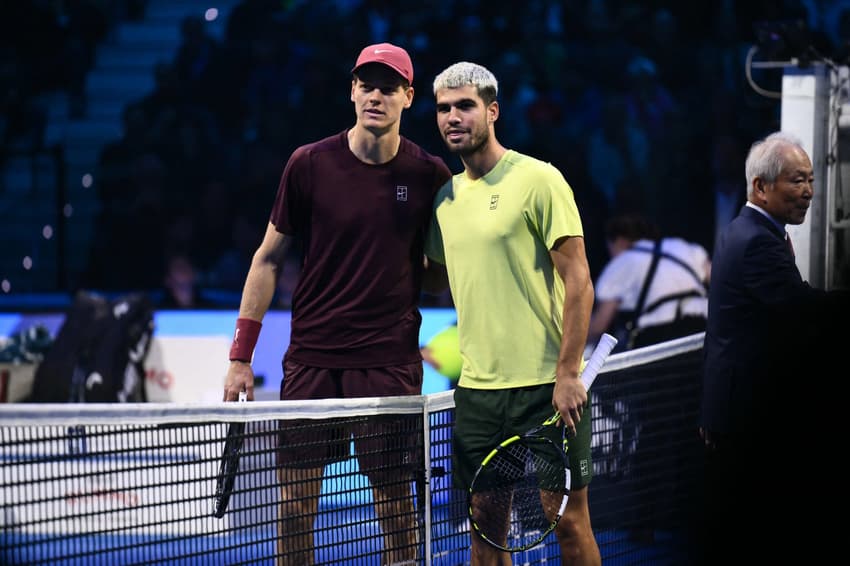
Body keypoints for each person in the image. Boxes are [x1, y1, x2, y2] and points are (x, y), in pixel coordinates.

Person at [223, 42, 452, 566]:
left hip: (389, 363)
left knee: (396, 507)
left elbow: (445, 273)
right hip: (312, 360)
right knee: (294, 508)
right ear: (352, 91)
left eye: (388, 88)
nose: (375, 96)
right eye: (366, 85)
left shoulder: (429, 175)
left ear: (408, 98)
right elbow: (266, 260)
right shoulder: (308, 164)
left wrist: (411, 271)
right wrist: (241, 358)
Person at [425, 62, 601, 566]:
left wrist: (568, 373)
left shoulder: (538, 180)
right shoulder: (444, 200)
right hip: (478, 394)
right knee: (486, 528)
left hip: (545, 388)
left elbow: (579, 282)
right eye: (443, 109)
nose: (453, 117)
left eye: (465, 106)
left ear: (492, 111)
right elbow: (436, 275)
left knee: (568, 522)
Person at [699, 131, 850, 564]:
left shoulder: (743, 230)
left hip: (736, 405)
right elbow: (800, 307)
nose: (807, 193)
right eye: (796, 181)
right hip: (749, 412)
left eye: (810, 180)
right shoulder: (757, 242)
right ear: (760, 187)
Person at [586, 212, 710, 354]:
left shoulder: (622, 262)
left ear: (619, 241)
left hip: (658, 339)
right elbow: (720, 284)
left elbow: (599, 325)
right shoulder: (684, 247)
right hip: (704, 330)